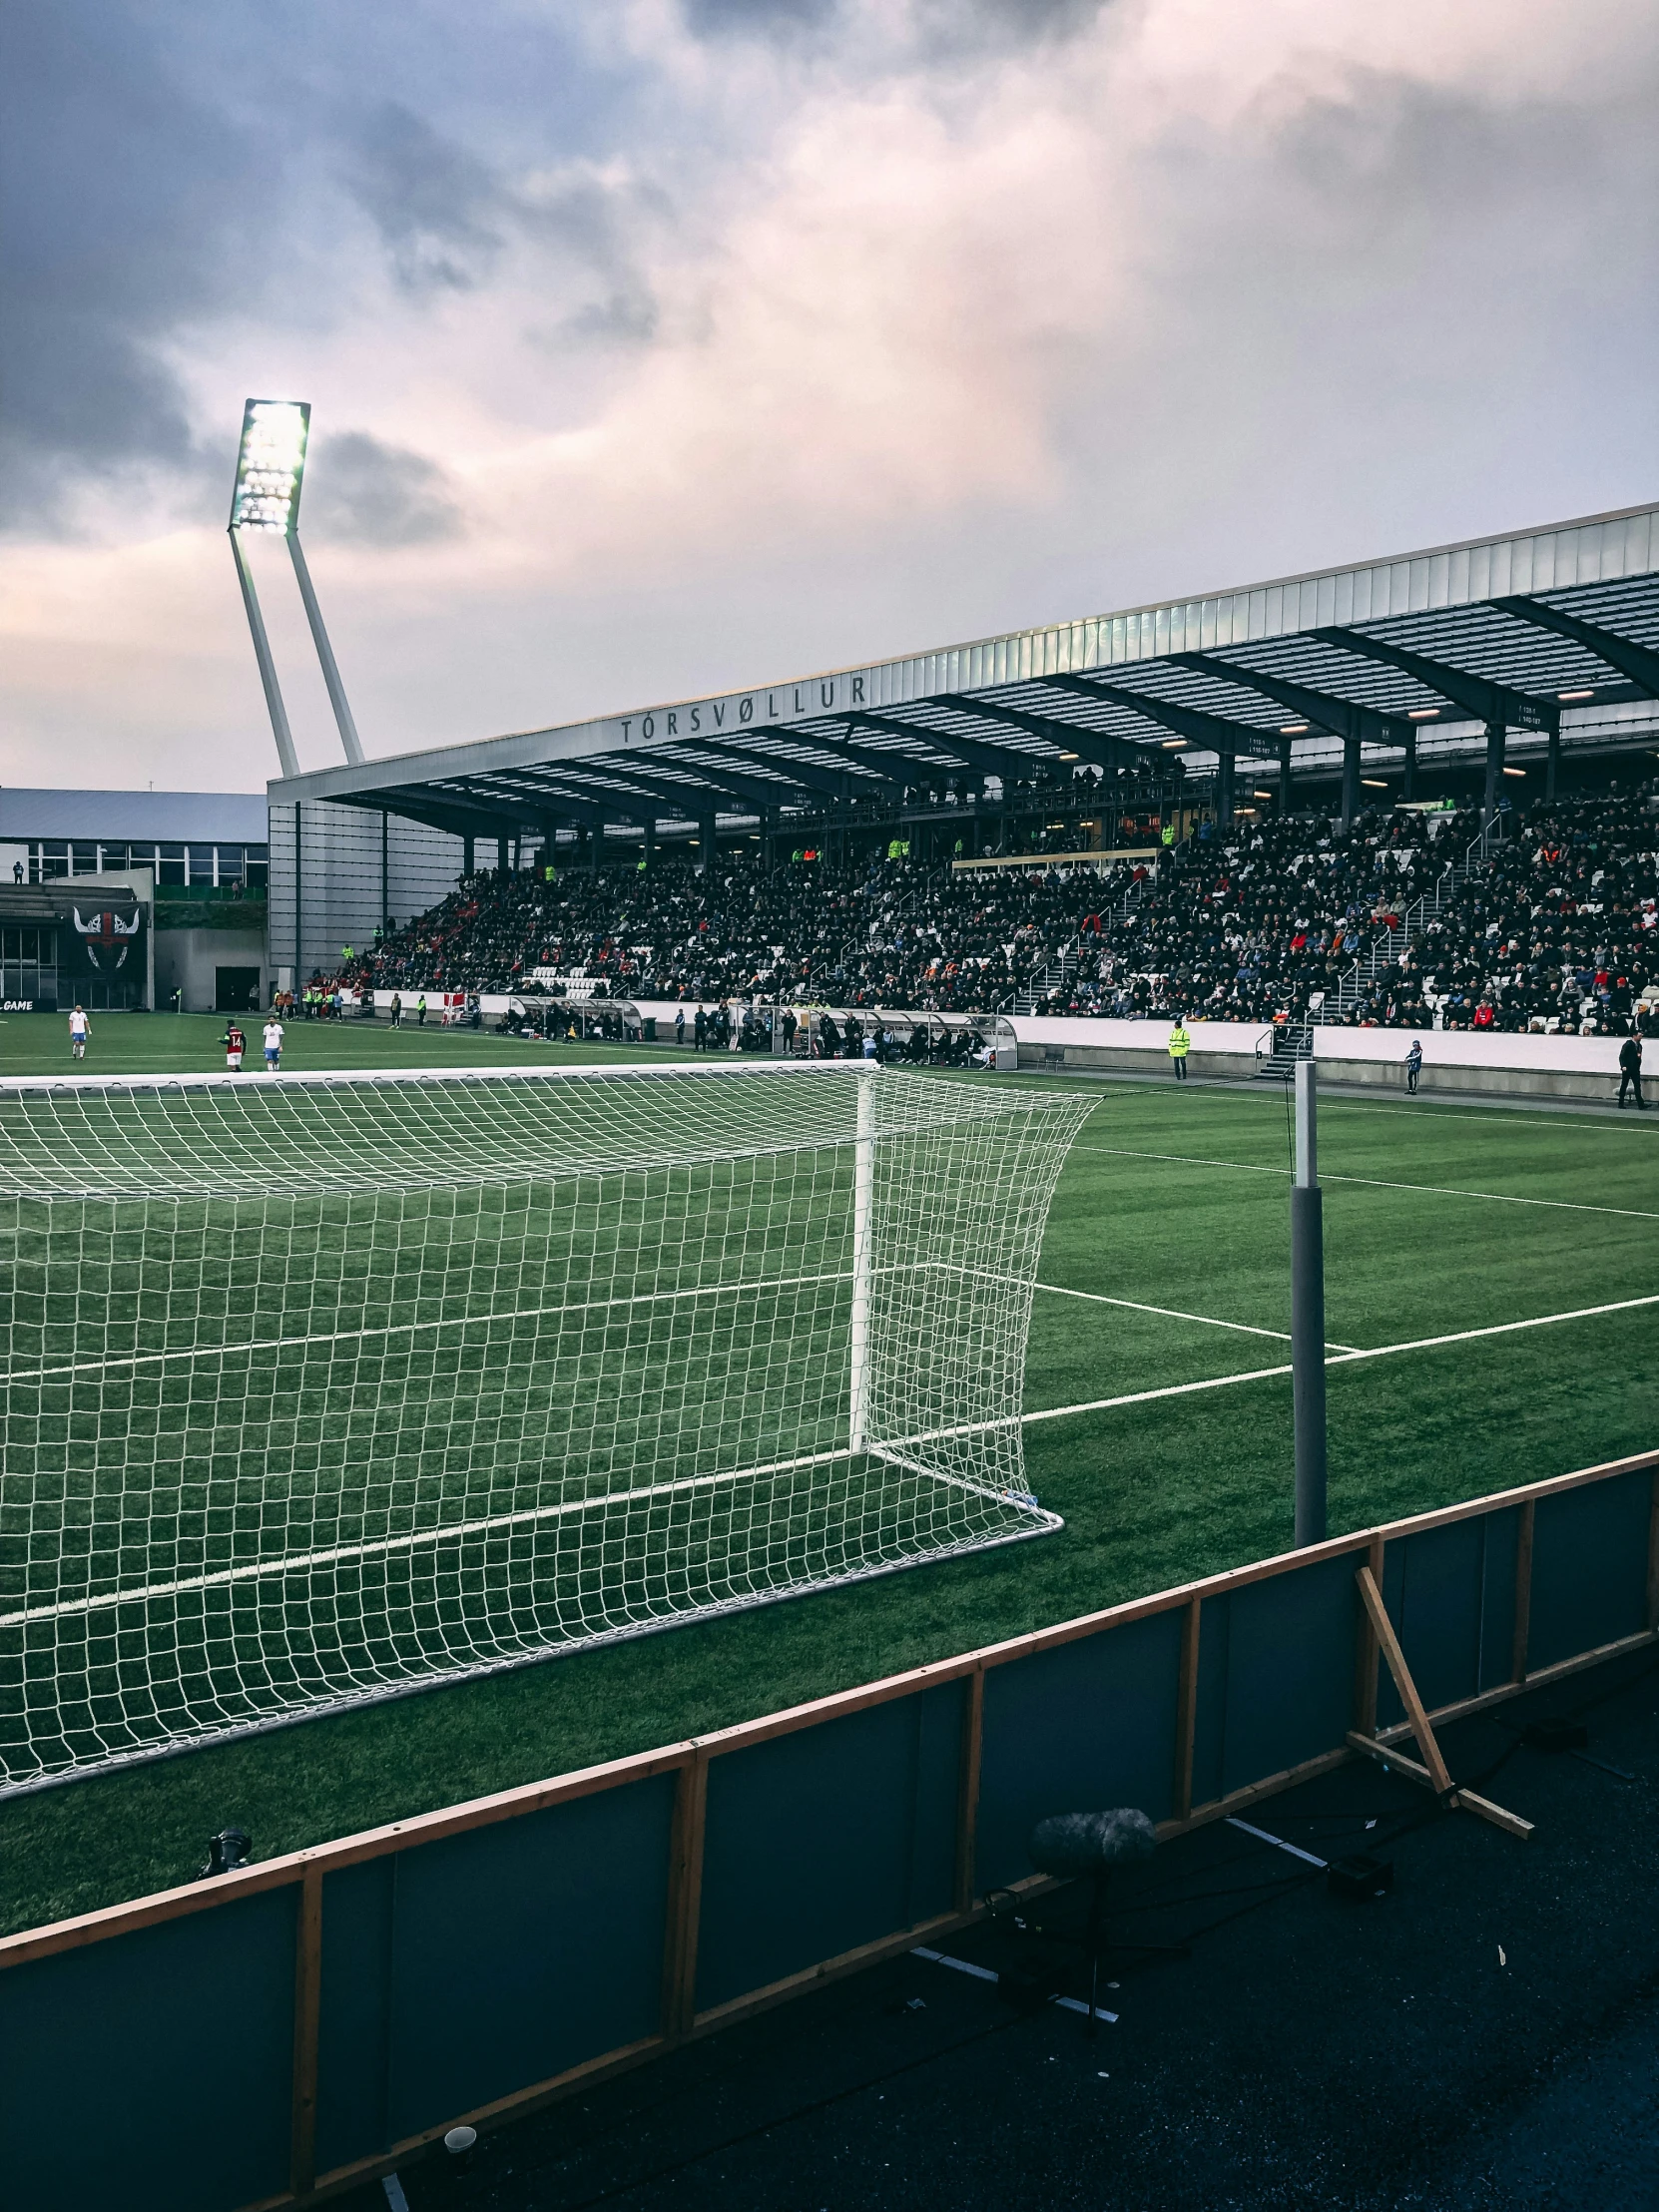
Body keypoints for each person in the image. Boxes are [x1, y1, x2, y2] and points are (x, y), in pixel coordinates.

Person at [1618, 1032, 1646, 1110]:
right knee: (1624, 1085)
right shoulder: (1628, 1044)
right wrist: (1623, 1066)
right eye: (1639, 1036)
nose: (1641, 1038)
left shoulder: (1639, 1046)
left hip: (1635, 1069)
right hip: (1627, 1068)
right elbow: (1622, 1056)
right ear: (1634, 1036)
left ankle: (1641, 1104)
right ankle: (1621, 1103)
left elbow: (1638, 1058)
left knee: (1637, 1086)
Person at [1167, 1015, 1191, 1080]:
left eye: (1175, 1025)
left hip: (1181, 1051)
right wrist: (1170, 1049)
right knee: (1176, 1064)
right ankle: (1178, 1075)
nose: (1174, 1026)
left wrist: (1185, 1050)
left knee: (1183, 1063)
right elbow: (1170, 1041)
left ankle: (1184, 1074)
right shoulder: (1173, 1032)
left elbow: (1187, 1042)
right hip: (1175, 1051)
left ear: (1177, 1025)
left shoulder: (1184, 1032)